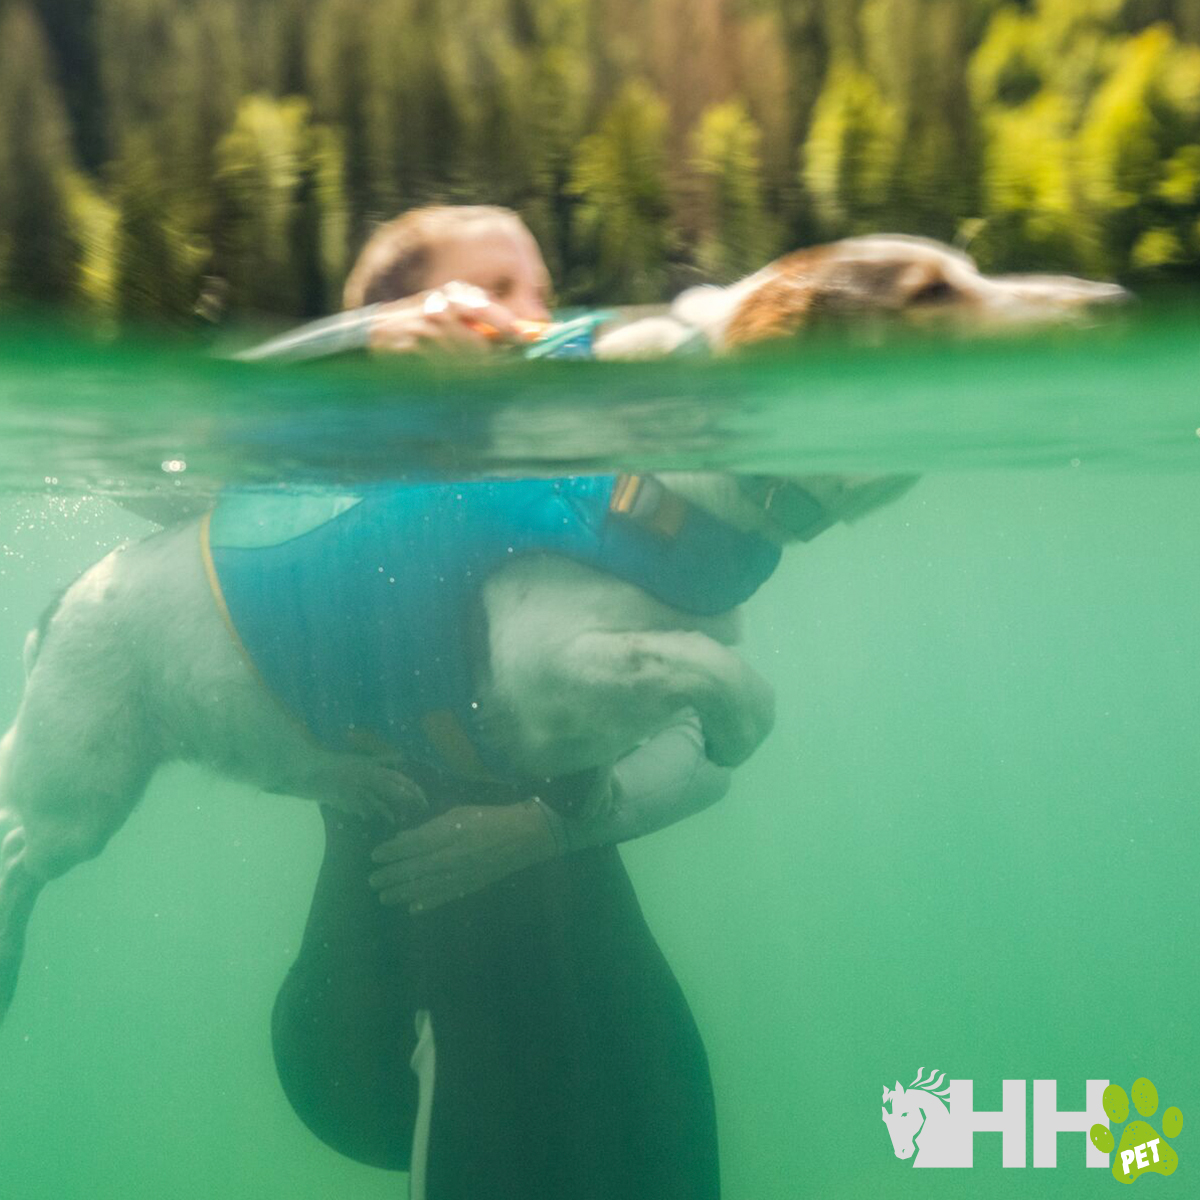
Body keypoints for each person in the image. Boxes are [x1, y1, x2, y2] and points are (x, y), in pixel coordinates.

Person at [267, 205, 730, 1199]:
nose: (535, 319)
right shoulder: (313, 479)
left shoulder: (599, 487)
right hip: (380, 1013)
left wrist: (547, 827)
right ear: (406, 323)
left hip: (598, 992)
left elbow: (714, 744)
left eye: (544, 295)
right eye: (497, 292)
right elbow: (177, 455)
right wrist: (353, 355)